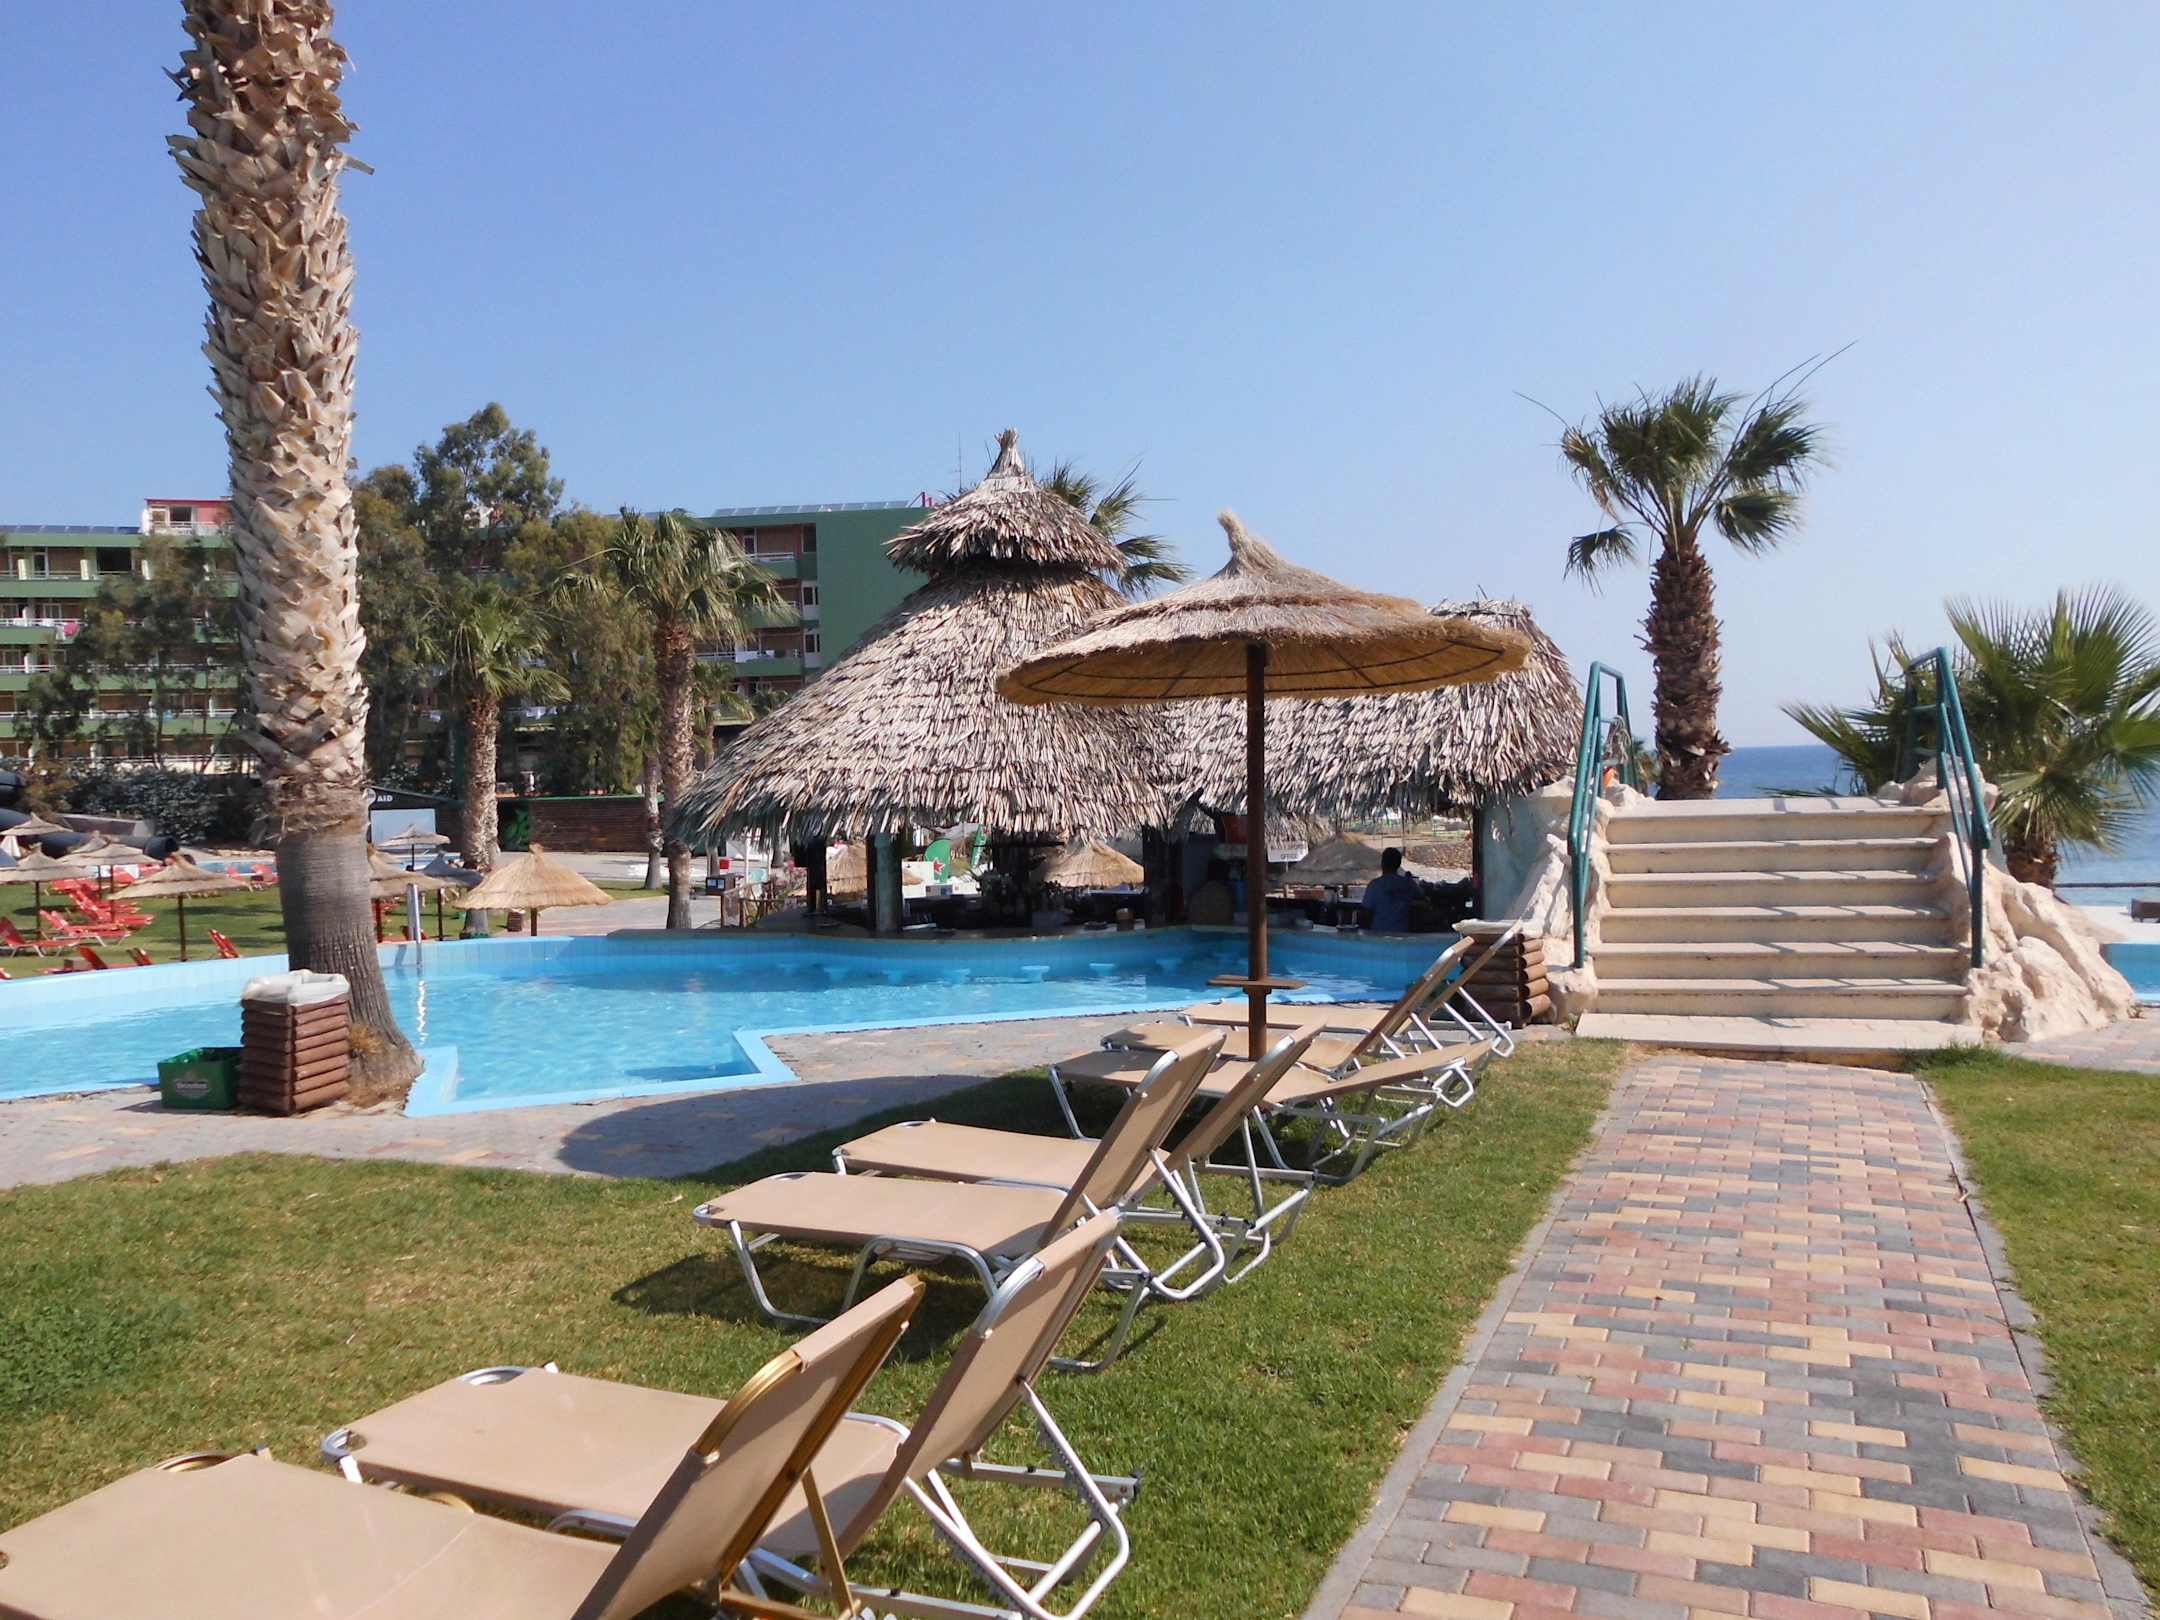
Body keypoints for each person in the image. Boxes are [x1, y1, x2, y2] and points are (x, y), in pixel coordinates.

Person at [1359, 847, 1419, 932]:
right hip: (1402, 934)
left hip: (1377, 934)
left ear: (1382, 863)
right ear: (1399, 864)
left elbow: (1365, 913)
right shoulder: (1407, 884)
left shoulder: (1375, 885)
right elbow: (1423, 897)